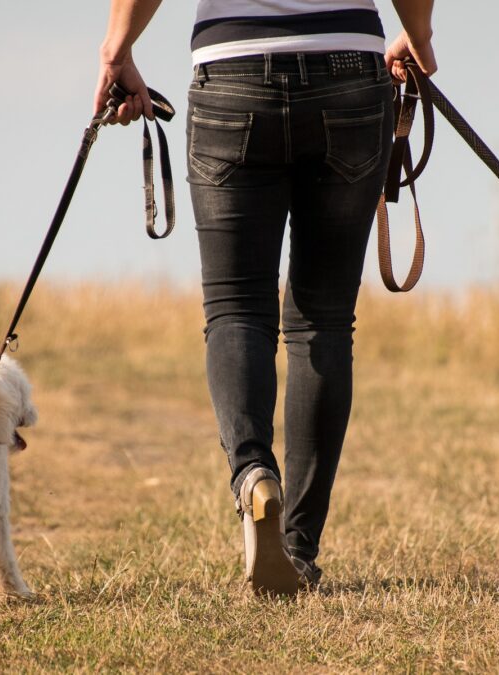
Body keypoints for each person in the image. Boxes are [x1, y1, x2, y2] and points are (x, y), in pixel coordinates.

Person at [95, 0, 437, 595]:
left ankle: (254, 473)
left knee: (236, 307)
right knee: (323, 320)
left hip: (233, 70)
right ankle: (299, 549)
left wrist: (117, 48)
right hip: (348, 68)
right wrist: (418, 32)